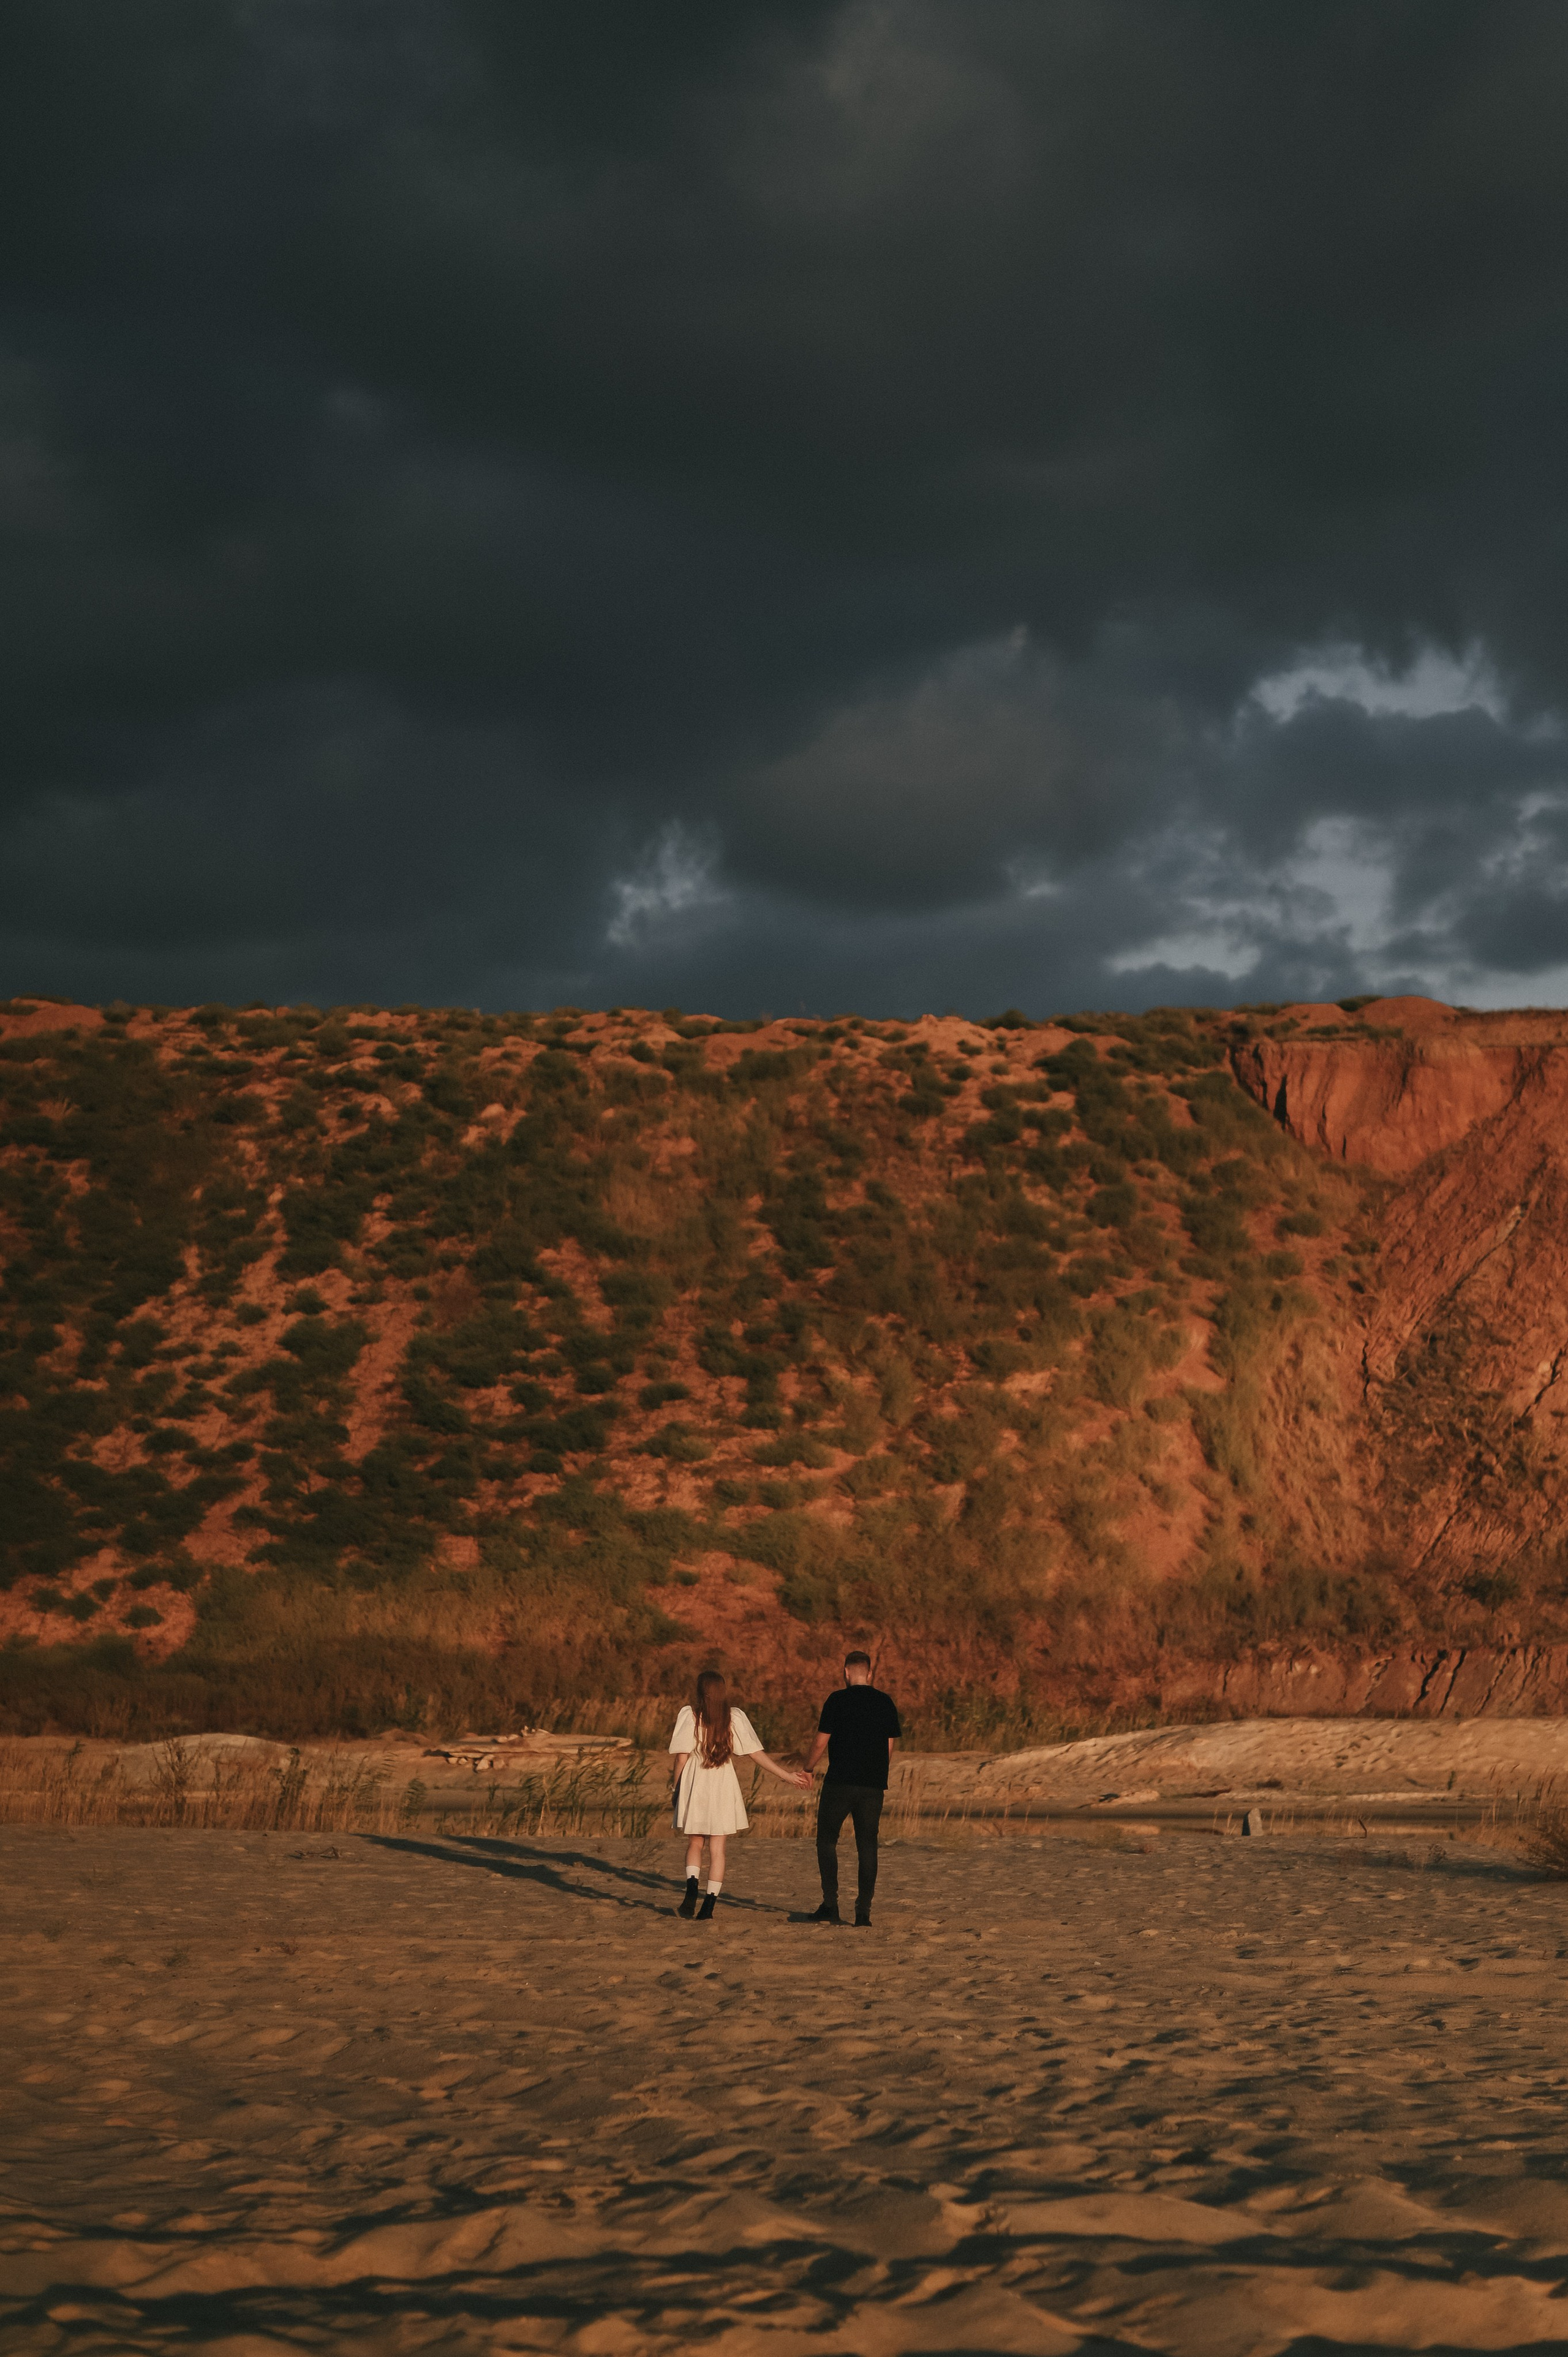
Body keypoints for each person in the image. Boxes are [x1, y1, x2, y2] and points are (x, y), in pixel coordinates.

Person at [668, 1670, 810, 1919]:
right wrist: (786, 1775)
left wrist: (676, 1788)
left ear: (700, 1691)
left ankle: (691, 1891)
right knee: (718, 1850)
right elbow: (756, 1754)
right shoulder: (734, 1717)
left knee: (695, 1842)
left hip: (695, 1784)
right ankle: (708, 1909)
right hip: (723, 1785)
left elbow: (681, 1757)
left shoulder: (689, 1715)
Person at [802, 1650, 902, 1927]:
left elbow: (821, 1742)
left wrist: (807, 1768)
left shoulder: (837, 1700)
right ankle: (863, 1912)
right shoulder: (885, 1702)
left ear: (845, 1672)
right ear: (870, 1674)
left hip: (840, 1782)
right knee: (867, 1846)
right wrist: (877, 1772)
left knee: (826, 1841)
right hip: (872, 1785)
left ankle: (831, 1904)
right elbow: (889, 1746)